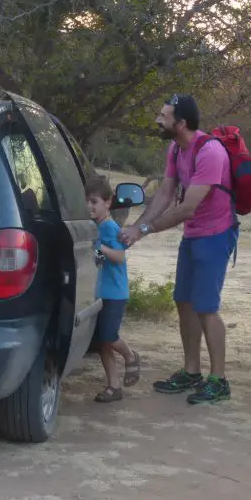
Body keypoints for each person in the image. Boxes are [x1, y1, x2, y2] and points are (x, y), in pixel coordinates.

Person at [119, 94, 238, 405]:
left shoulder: (210, 151)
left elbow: (186, 208)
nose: (158, 120)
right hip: (194, 234)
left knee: (205, 307)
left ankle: (219, 380)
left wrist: (144, 230)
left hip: (216, 234)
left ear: (181, 123)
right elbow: (164, 195)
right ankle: (191, 372)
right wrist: (137, 227)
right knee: (183, 301)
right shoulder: (175, 148)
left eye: (164, 115)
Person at [87, 173, 140, 403]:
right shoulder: (95, 226)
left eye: (94, 202)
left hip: (115, 294)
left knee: (109, 336)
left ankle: (130, 355)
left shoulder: (109, 227)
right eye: (87, 201)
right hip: (100, 293)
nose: (89, 206)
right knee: (102, 343)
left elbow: (119, 257)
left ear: (108, 202)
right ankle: (114, 386)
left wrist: (99, 248)